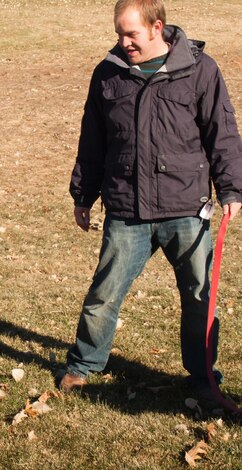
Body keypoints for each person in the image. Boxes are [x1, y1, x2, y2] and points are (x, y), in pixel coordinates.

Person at [60, 0, 242, 403]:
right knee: (104, 294)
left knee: (199, 297)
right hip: (127, 208)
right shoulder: (108, 73)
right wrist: (83, 194)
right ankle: (84, 365)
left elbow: (222, 133)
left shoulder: (200, 69)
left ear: (157, 27)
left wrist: (230, 189)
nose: (123, 42)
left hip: (186, 208)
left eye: (132, 34)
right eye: (119, 34)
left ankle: (202, 376)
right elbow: (93, 138)